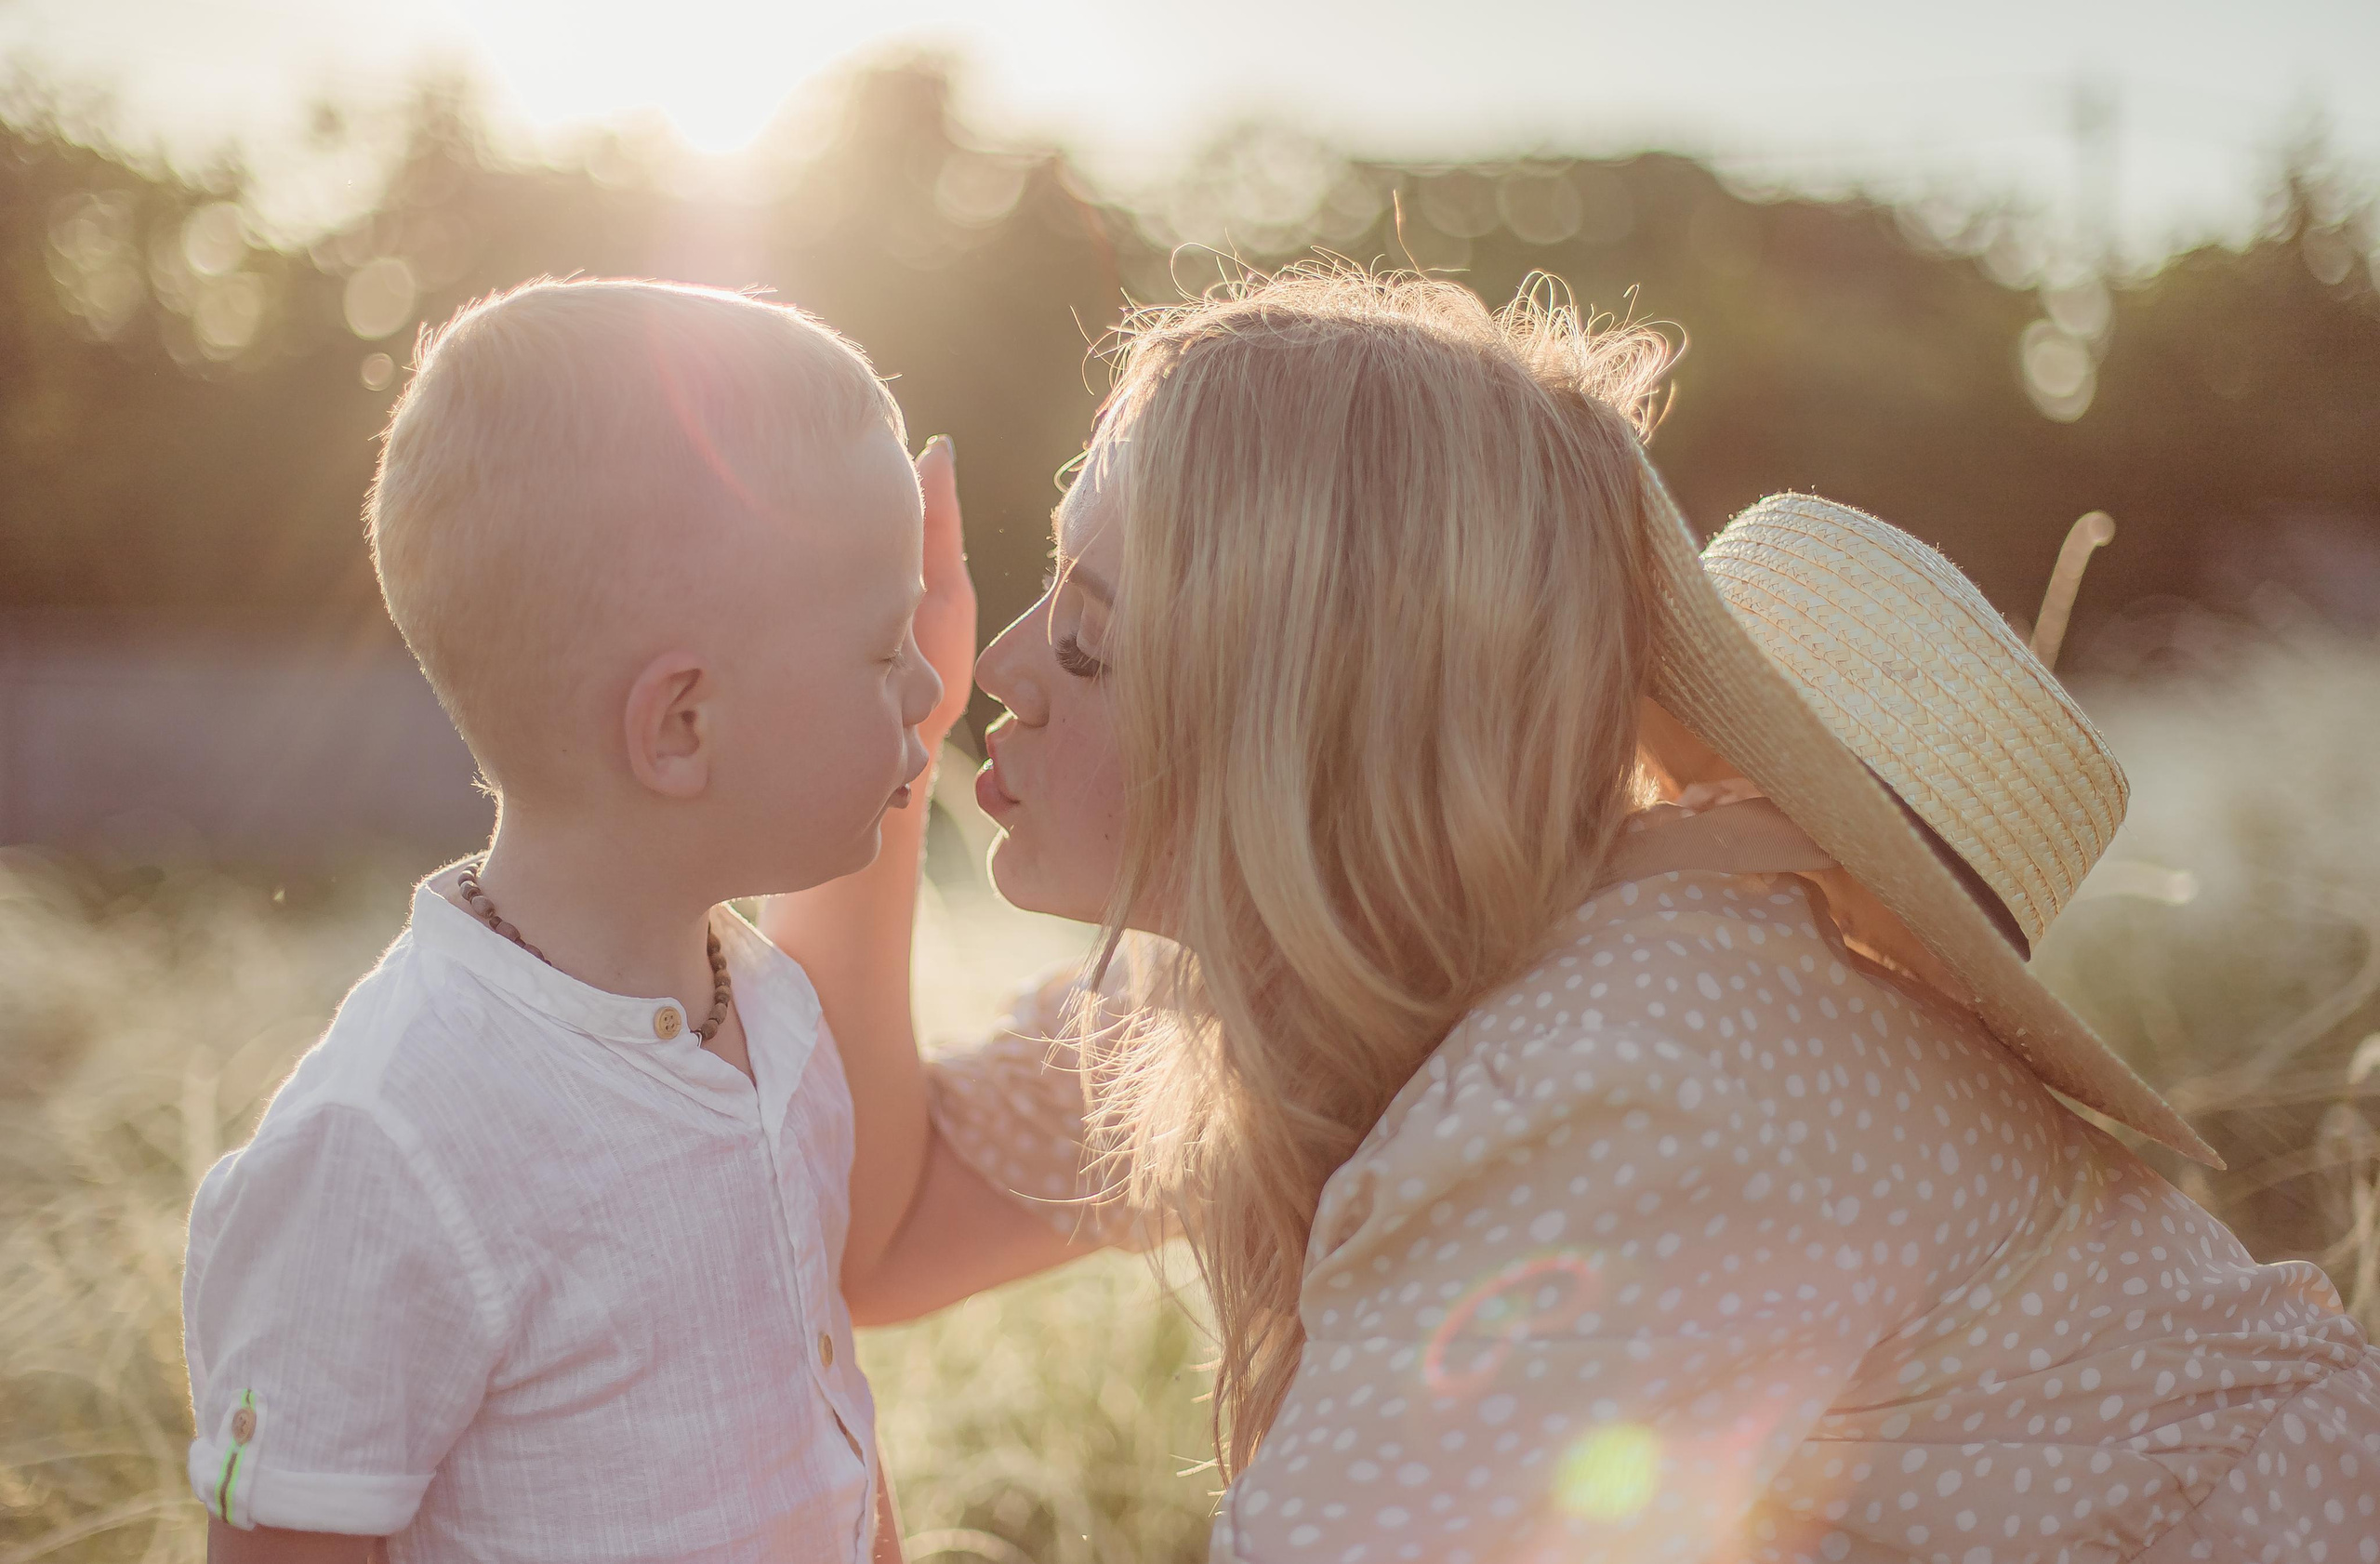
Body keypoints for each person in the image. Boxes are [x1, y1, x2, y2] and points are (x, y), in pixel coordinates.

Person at [768, 267, 2380, 1561]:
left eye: (1097, 638)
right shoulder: (1342, 970)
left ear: (1311, 723)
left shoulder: (1633, 1064)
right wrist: (871, 737)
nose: (1003, 665)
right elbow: (868, 1227)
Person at [182, 279, 973, 1563]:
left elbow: (827, 1427)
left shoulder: (771, 1013)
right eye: (887, 648)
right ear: (680, 725)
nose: (935, 685)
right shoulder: (384, 1142)